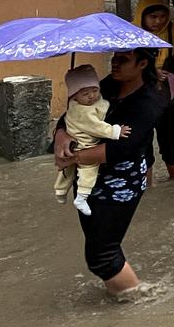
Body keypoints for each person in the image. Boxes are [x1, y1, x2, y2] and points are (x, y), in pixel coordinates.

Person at [52, 49, 166, 295]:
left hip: (122, 183)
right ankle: (121, 297)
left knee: (101, 255)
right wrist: (61, 134)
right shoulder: (107, 85)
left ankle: (143, 299)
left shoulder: (150, 100)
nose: (115, 62)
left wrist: (73, 158)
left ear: (142, 64)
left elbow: (122, 149)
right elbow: (71, 115)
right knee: (97, 242)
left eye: (123, 60)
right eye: (114, 57)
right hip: (88, 176)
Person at [55, 65, 130, 216]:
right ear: (74, 96)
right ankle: (81, 197)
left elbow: (100, 105)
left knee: (67, 170)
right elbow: (96, 127)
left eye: (95, 90)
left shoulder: (80, 103)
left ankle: (60, 191)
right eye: (85, 94)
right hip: (83, 145)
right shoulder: (83, 111)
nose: (91, 96)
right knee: (88, 170)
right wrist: (115, 131)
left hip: (72, 142)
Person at [136, 0, 174, 183]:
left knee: (170, 141)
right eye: (153, 17)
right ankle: (148, 185)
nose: (158, 21)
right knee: (143, 141)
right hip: (141, 97)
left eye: (162, 16)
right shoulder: (132, 34)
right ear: (142, 15)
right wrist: (151, 73)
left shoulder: (173, 30)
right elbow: (124, 66)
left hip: (168, 97)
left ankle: (173, 181)